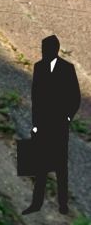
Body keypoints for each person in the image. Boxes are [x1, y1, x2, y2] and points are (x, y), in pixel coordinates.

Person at [27, 34, 80, 214]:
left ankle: (62, 205)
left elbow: (75, 96)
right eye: (43, 49)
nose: (43, 52)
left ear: (55, 50)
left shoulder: (67, 68)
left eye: (46, 49)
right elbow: (36, 97)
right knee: (40, 164)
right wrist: (35, 123)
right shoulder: (39, 67)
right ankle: (36, 203)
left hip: (59, 123)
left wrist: (67, 118)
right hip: (42, 122)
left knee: (60, 166)